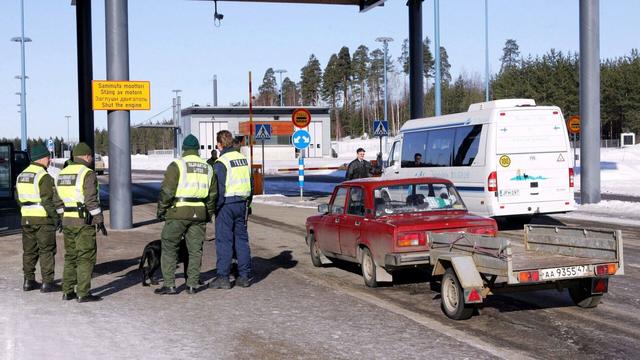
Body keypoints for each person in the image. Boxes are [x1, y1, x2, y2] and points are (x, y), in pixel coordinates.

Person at [155, 135, 217, 295]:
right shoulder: (208, 167)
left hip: (178, 212)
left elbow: (167, 191)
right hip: (199, 213)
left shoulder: (177, 165)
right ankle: (192, 285)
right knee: (195, 250)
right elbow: (212, 195)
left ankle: (169, 284)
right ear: (197, 149)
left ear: (184, 149)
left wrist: (161, 209)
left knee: (169, 247)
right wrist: (208, 213)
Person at [56, 142, 106, 302]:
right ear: (85, 156)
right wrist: (99, 219)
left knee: (70, 256)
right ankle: (83, 293)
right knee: (85, 256)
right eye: (90, 156)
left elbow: (57, 201)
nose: (91, 158)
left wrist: (63, 217)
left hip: (67, 221)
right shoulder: (87, 173)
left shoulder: (62, 174)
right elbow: (91, 200)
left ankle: (67, 291)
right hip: (83, 222)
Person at [16, 144, 64, 293]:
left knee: (29, 250)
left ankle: (28, 281)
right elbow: (48, 201)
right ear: (42, 158)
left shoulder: (21, 175)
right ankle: (47, 282)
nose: (49, 160)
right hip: (43, 219)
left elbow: (18, 198)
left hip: (26, 218)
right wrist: (56, 218)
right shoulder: (44, 176)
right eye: (48, 157)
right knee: (46, 250)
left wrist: (27, 210)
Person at [210, 130, 253, 289]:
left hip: (226, 205)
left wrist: (216, 208)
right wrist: (248, 204)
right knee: (241, 240)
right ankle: (244, 276)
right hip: (241, 203)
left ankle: (223, 277)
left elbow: (219, 189)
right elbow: (251, 184)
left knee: (224, 241)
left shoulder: (222, 162)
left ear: (220, 144)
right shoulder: (243, 159)